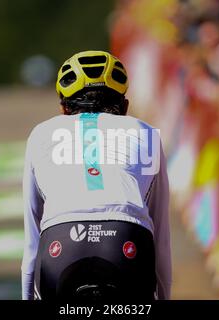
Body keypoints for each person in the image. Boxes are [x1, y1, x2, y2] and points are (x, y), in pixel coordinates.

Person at [21, 50, 172, 301]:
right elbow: (161, 237)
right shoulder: (146, 132)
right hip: (126, 240)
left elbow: (31, 239)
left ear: (62, 108)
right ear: (125, 106)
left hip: (60, 244)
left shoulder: (40, 133)